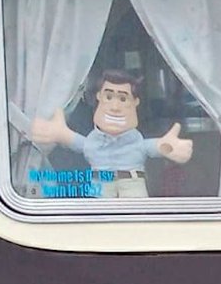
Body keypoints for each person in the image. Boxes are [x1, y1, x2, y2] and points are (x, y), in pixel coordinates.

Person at [28, 71, 192, 197]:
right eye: (108, 96)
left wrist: (170, 147)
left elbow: (153, 146)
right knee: (100, 225)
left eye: (122, 99)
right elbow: (77, 142)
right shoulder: (92, 141)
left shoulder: (137, 142)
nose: (115, 107)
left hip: (132, 185)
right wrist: (58, 133)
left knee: (136, 224)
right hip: (100, 184)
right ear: (99, 97)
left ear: (135, 102)